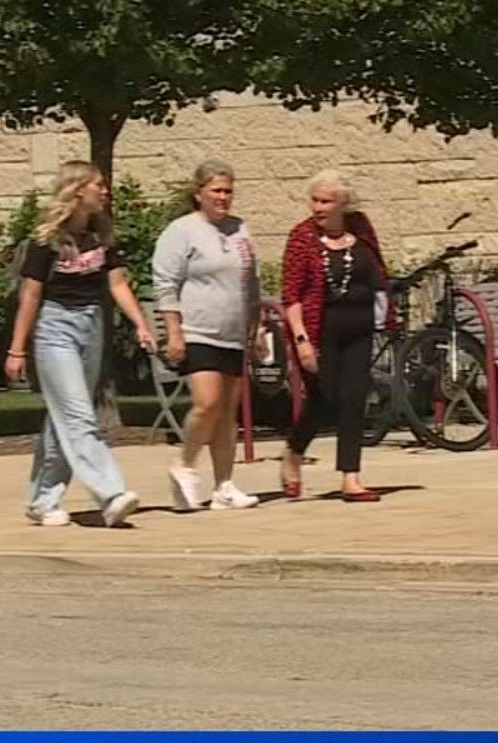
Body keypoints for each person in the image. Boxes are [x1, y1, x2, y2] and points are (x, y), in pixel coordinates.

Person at [4, 160, 156, 527]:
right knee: (78, 416)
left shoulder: (101, 237)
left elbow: (117, 284)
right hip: (54, 328)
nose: (104, 191)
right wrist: (17, 349)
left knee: (64, 417)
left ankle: (42, 501)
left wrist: (141, 324)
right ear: (77, 190)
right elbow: (30, 296)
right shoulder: (46, 241)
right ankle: (111, 493)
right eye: (97, 185)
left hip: (91, 325)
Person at [152, 159, 265, 511]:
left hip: (233, 332)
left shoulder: (240, 229)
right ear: (198, 193)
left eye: (228, 191)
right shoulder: (182, 230)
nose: (223, 197)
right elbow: (165, 283)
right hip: (198, 330)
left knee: (228, 413)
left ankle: (223, 486)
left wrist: (257, 329)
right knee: (208, 404)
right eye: (216, 190)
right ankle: (184, 465)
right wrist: (174, 332)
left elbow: (252, 284)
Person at [278, 169, 391, 502]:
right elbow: (292, 295)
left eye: (326, 201)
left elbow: (377, 271)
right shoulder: (301, 237)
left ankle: (350, 478)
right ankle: (294, 451)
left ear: (344, 204)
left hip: (360, 327)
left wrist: (386, 309)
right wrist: (301, 341)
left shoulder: (361, 228)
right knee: (323, 397)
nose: (318, 207)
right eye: (314, 200)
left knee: (355, 398)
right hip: (319, 329)